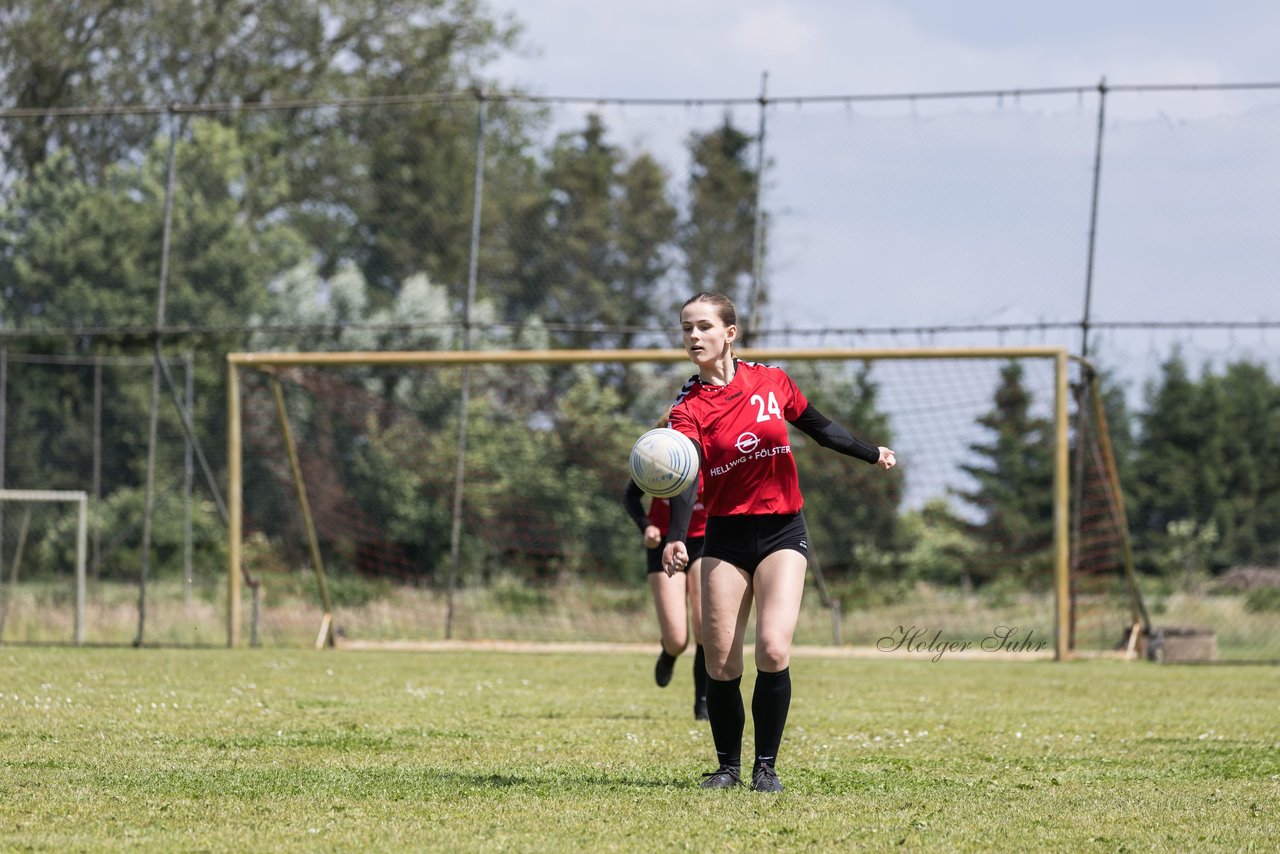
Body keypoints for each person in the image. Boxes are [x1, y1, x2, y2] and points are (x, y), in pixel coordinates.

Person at [661, 292, 897, 793]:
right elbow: (684, 478)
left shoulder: (771, 381)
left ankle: (765, 766)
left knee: (771, 647)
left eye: (704, 326)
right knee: (721, 661)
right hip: (725, 534)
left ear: (730, 333)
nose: (693, 337)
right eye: (686, 328)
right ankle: (726, 768)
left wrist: (869, 452)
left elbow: (818, 428)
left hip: (782, 530)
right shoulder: (687, 409)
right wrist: (677, 539)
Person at [622, 409, 711, 720]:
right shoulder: (659, 458)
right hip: (664, 546)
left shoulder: (713, 458)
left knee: (705, 628)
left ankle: (703, 702)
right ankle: (669, 652)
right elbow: (630, 497)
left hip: (704, 543)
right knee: (677, 638)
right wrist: (646, 526)